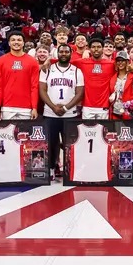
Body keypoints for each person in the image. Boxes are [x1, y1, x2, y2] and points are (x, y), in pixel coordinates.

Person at [39, 44, 84, 179]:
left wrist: (65, 107)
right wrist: (53, 107)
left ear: (71, 53)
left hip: (70, 114)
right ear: (56, 54)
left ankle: (70, 169)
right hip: (50, 112)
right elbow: (42, 90)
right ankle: (52, 168)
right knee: (51, 143)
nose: (64, 54)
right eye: (61, 51)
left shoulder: (77, 71)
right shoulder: (47, 69)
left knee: (69, 143)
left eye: (66, 51)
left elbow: (80, 92)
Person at [0, 30, 40, 120]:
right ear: (9, 43)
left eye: (19, 40)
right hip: (7, 108)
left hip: (27, 108)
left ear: (23, 43)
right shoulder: (0, 61)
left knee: (25, 134)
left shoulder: (33, 62)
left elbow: (34, 87)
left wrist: (34, 108)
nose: (16, 42)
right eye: (13, 40)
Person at [75, 37, 113, 119]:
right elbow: (63, 60)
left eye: (99, 47)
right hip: (87, 106)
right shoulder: (82, 62)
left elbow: (127, 68)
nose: (96, 49)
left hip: (104, 106)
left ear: (103, 49)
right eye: (93, 47)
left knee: (103, 131)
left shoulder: (111, 64)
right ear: (89, 49)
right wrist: (48, 60)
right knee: (87, 131)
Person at [109, 51, 133, 120]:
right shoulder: (113, 78)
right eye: (118, 61)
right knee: (115, 130)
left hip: (130, 114)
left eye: (123, 61)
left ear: (127, 62)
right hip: (115, 113)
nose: (120, 63)